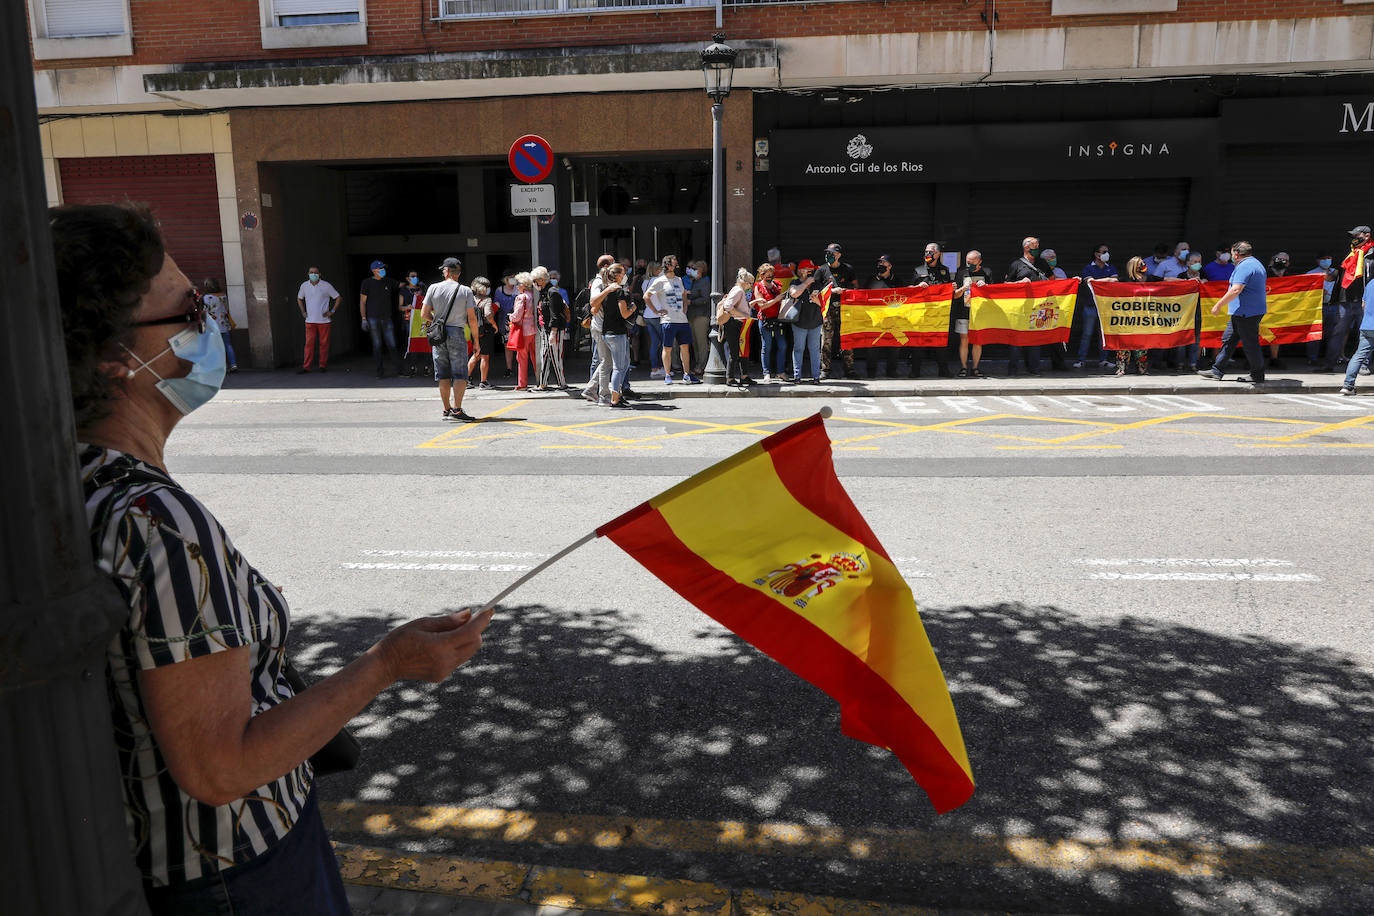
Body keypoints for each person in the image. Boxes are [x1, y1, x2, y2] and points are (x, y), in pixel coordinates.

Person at [53, 202, 493, 915]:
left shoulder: (72, 479)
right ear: (116, 357)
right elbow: (220, 766)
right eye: (189, 307)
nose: (210, 321)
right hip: (238, 872)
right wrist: (386, 664)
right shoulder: (156, 521)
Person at [1198, 241, 1267, 385]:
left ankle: (1257, 374)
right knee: (1228, 339)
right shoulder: (1255, 263)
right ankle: (1217, 370)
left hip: (1246, 313)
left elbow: (1236, 289)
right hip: (1242, 312)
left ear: (1236, 254)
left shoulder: (1245, 266)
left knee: (1250, 344)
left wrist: (1218, 305)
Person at [420, 257, 480, 421]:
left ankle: (446, 409)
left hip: (438, 335)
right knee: (460, 373)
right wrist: (476, 341)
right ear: (458, 273)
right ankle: (457, 410)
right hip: (457, 332)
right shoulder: (465, 290)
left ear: (446, 271)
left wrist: (437, 322)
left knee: (443, 374)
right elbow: (472, 319)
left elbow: (423, 314)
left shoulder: (433, 288)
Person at [647, 254, 698, 384]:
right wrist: (656, 311)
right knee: (667, 348)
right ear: (668, 265)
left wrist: (685, 307)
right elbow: (646, 296)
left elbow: (683, 294)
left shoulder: (678, 279)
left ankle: (686, 374)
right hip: (668, 320)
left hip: (682, 320)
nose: (676, 265)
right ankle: (668, 375)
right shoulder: (659, 280)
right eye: (674, 263)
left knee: (685, 347)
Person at [1005, 236, 1047, 376]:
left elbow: (1054, 282)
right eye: (1034, 246)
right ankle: (1013, 370)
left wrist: (1070, 282)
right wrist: (1020, 283)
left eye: (1038, 246)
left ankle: (1034, 369)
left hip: (1039, 307)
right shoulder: (1016, 265)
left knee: (1035, 340)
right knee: (1016, 339)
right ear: (1026, 247)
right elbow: (1005, 285)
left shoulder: (1043, 264)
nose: (1037, 249)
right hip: (1020, 308)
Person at [910, 242, 953, 378]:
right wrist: (917, 286)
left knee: (940, 343)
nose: (928, 254)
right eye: (926, 252)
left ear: (938, 254)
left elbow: (947, 290)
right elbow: (909, 290)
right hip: (922, 313)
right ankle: (915, 371)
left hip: (939, 314)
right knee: (918, 344)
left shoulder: (945, 270)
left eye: (931, 252)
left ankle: (943, 371)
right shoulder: (918, 270)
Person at [598, 262, 638, 409]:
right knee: (619, 367)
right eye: (623, 272)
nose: (625, 275)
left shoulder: (606, 290)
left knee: (623, 364)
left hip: (607, 332)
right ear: (618, 275)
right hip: (617, 333)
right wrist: (633, 308)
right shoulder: (619, 291)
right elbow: (624, 313)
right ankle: (615, 399)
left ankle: (617, 395)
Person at [815, 242, 856, 379]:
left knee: (847, 338)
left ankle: (849, 369)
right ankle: (825, 370)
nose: (829, 256)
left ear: (838, 255)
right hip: (828, 310)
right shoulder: (821, 270)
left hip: (845, 309)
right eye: (827, 253)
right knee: (826, 340)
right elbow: (816, 290)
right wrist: (831, 291)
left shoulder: (848, 269)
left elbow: (856, 288)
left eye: (832, 253)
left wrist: (846, 291)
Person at [581, 253, 617, 404]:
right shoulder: (597, 282)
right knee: (605, 361)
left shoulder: (605, 281)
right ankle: (603, 395)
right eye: (614, 264)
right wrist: (608, 290)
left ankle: (591, 389)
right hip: (600, 326)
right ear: (606, 266)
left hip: (604, 326)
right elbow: (593, 301)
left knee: (606, 361)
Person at [359, 259, 404, 379]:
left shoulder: (388, 281)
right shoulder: (367, 283)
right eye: (381, 268)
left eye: (384, 268)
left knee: (392, 345)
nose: (383, 270)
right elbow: (362, 302)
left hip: (387, 318)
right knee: (377, 346)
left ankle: (399, 371)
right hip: (373, 318)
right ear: (374, 270)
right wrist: (363, 318)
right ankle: (380, 372)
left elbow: (400, 285)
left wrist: (412, 283)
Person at [1076, 244, 1117, 369]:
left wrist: (1100, 281)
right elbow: (1090, 282)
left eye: (1107, 252)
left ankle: (1104, 359)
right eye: (1104, 252)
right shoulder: (1088, 268)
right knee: (1087, 334)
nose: (1107, 254)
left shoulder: (1111, 267)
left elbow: (1115, 281)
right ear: (1096, 254)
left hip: (1105, 307)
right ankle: (1081, 360)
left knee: (1103, 334)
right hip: (1090, 306)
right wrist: (1108, 280)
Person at [953, 250, 991, 378]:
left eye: (972, 262)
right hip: (964, 311)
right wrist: (963, 288)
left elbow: (994, 294)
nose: (969, 264)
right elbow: (955, 295)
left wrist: (985, 286)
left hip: (980, 312)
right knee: (964, 340)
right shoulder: (961, 273)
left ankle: (975, 368)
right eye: (967, 262)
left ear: (979, 261)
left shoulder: (987, 273)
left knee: (978, 341)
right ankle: (963, 367)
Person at [1339, 255, 1374, 395]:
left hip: (1367, 326)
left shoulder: (1370, 284)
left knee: (1359, 355)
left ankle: (1347, 386)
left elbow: (1364, 305)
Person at [862, 255, 901, 380]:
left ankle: (892, 371)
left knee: (894, 347)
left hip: (893, 320)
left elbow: (906, 296)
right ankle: (871, 372)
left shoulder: (897, 280)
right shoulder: (870, 280)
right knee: (872, 347)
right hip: (875, 319)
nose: (880, 265)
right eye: (879, 262)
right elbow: (862, 296)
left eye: (884, 262)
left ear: (890, 266)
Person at [296, 265, 339, 373]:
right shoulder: (304, 286)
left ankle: (322, 365)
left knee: (324, 344)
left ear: (319, 274)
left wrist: (332, 311)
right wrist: (303, 312)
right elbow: (299, 298)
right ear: (308, 274)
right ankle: (306, 367)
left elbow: (338, 298)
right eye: (311, 272)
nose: (313, 274)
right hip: (310, 321)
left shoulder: (326, 285)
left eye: (315, 273)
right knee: (308, 344)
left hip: (324, 321)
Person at [531, 266, 569, 391]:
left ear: (541, 280)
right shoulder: (544, 293)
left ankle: (561, 383)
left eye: (535, 281)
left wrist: (553, 332)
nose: (534, 284)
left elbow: (555, 314)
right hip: (545, 330)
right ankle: (542, 383)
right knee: (544, 356)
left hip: (554, 330)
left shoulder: (552, 292)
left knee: (555, 357)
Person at [788, 259, 825, 384]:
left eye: (812, 269)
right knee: (798, 349)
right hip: (799, 323)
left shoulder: (817, 284)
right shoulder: (795, 282)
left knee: (814, 350)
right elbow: (794, 293)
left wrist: (817, 301)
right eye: (808, 269)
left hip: (815, 322)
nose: (811, 271)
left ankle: (816, 377)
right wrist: (806, 283)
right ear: (800, 271)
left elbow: (824, 303)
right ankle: (797, 377)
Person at [718, 268, 755, 387]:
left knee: (742, 350)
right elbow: (728, 307)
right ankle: (730, 378)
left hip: (738, 324)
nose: (751, 285)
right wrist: (744, 315)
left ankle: (743, 376)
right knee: (734, 352)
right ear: (745, 282)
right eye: (750, 283)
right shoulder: (739, 290)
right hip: (734, 324)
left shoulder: (739, 290)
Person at [752, 261, 788, 382]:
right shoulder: (758, 286)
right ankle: (766, 373)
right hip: (765, 319)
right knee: (766, 346)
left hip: (778, 319)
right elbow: (761, 306)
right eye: (767, 274)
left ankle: (780, 371)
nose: (770, 277)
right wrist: (776, 299)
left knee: (782, 346)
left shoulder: (776, 285)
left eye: (771, 274)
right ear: (761, 275)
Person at [1115, 257, 1151, 376]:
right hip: (1127, 317)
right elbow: (1111, 281)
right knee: (1124, 343)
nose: (1144, 265)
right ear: (1134, 266)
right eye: (1141, 264)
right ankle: (1121, 368)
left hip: (1143, 316)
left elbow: (1167, 280)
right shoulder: (1125, 280)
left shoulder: (1150, 279)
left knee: (1142, 343)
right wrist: (1092, 280)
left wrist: (1188, 281)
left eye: (1144, 263)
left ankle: (1142, 368)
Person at [1307, 252, 1340, 366]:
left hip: (1334, 306)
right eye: (1324, 258)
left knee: (1333, 335)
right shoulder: (1310, 274)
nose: (1327, 260)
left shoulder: (1337, 273)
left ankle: (1332, 358)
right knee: (1315, 334)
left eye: (1329, 258)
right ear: (1318, 260)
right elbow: (1307, 293)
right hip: (1318, 307)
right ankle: (1312, 358)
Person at [508, 271, 538, 390]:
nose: (516, 286)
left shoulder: (521, 297)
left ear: (524, 285)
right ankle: (540, 380)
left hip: (523, 331)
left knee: (521, 357)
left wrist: (510, 316)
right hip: (534, 329)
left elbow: (517, 316)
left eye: (518, 283)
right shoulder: (534, 295)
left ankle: (522, 383)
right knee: (535, 357)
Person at [467, 276, 498, 389]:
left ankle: (466, 380)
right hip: (485, 330)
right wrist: (494, 325)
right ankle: (483, 382)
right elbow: (488, 315)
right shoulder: (487, 300)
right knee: (485, 357)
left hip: (473, 330)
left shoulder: (471, 299)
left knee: (475, 354)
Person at [1264, 251, 1294, 368]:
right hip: (1263, 309)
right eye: (1278, 259)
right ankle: (1254, 359)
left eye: (1283, 260)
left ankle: (1274, 359)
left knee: (1276, 335)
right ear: (1272, 260)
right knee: (1259, 334)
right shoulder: (1264, 273)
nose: (1280, 262)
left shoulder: (1289, 275)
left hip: (1280, 310)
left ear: (1288, 263)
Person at [200, 278, 236, 373]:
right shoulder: (223, 296)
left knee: (214, 347)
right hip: (224, 324)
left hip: (212, 326)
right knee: (228, 345)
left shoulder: (206, 298)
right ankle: (233, 364)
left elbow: (204, 311)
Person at [685, 260, 712, 376]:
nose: (692, 271)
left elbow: (706, 298)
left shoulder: (704, 282)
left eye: (695, 269)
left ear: (701, 270)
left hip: (701, 315)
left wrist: (691, 301)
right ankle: (698, 364)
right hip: (692, 315)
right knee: (695, 342)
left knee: (701, 343)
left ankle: (702, 365)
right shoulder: (695, 282)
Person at [400, 269, 429, 377]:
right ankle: (413, 366)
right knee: (412, 343)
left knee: (426, 342)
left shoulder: (422, 288)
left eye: (416, 276)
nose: (415, 278)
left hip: (422, 320)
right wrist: (407, 307)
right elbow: (399, 307)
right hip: (409, 321)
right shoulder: (403, 290)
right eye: (412, 276)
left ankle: (427, 366)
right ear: (407, 278)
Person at [493, 272, 518, 377]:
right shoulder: (499, 290)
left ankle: (522, 367)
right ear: (504, 279)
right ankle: (509, 368)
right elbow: (496, 305)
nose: (512, 279)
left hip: (518, 320)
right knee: (507, 345)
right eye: (509, 277)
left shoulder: (519, 289)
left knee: (520, 344)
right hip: (504, 321)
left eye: (513, 277)